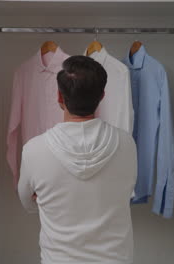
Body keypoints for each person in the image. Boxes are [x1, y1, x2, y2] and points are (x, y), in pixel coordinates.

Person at [18, 55, 137, 264]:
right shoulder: (127, 144)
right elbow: (125, 191)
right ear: (102, 96)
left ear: (59, 97)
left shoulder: (33, 150)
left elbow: (28, 202)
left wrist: (49, 196)